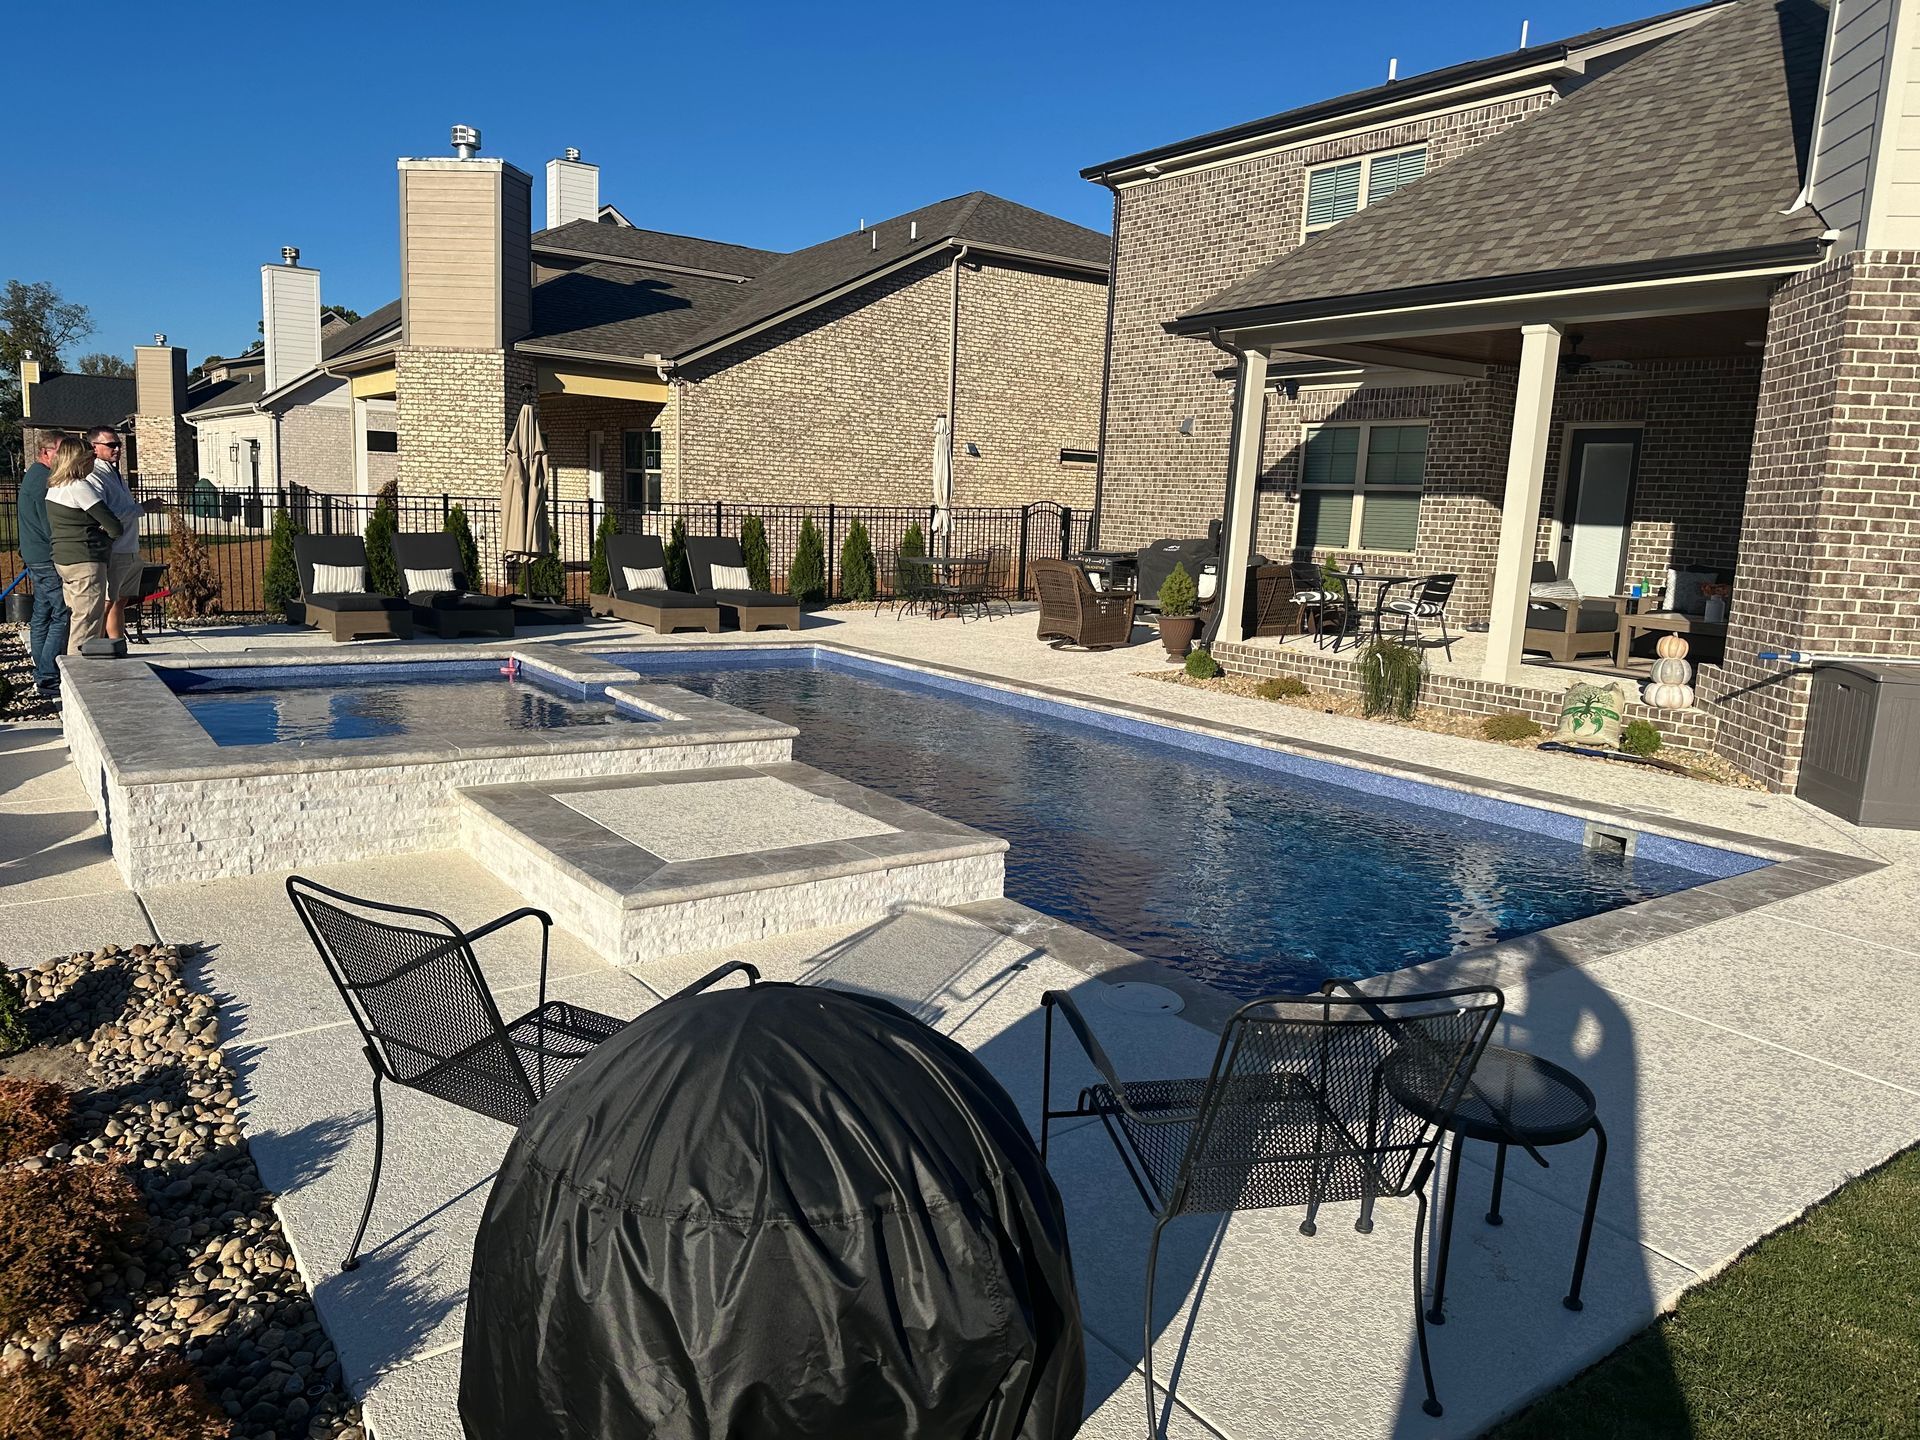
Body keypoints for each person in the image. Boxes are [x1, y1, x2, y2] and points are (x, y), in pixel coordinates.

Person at [44, 435, 123, 652]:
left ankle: (71, 669)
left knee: (74, 617)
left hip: (63, 560)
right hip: (85, 560)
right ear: (80, 461)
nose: (92, 463)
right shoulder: (79, 487)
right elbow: (114, 525)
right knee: (87, 622)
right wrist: (105, 537)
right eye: (90, 459)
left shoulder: (54, 487)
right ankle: (79, 675)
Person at [16, 432, 72, 697]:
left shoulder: (33, 476)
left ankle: (43, 671)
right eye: (61, 451)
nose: (65, 456)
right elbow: (49, 525)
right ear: (46, 452)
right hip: (45, 557)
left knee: (43, 614)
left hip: (34, 555)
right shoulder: (43, 481)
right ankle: (48, 676)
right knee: (63, 612)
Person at [85, 426, 148, 640]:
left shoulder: (113, 472)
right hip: (115, 548)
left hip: (129, 546)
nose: (117, 449)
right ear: (94, 448)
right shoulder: (94, 475)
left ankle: (117, 644)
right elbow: (105, 514)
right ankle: (93, 645)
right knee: (107, 601)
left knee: (121, 600)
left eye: (119, 444)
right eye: (111, 445)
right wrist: (142, 508)